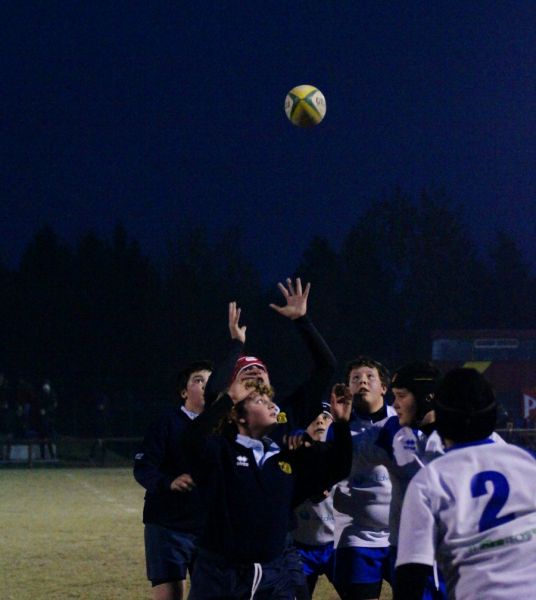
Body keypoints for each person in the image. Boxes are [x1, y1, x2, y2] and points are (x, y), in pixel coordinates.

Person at [182, 377, 353, 600]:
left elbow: (338, 469)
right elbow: (190, 439)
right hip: (219, 576)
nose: (272, 405)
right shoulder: (220, 452)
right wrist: (229, 400)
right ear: (238, 415)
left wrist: (341, 425)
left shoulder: (284, 462)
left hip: (272, 576)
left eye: (269, 400)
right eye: (260, 402)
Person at [395, 368, 536, 600]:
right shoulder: (527, 461)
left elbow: (412, 573)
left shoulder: (430, 479)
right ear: (492, 414)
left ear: (443, 417)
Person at [133, 360, 213, 600]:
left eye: (210, 381)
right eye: (198, 380)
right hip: (167, 526)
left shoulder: (222, 426)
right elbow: (143, 467)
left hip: (208, 527)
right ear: (183, 392)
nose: (205, 386)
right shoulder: (166, 423)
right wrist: (168, 482)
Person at [332, 357, 397, 600]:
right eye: (355, 378)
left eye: (370, 377)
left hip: (402, 534)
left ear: (384, 387)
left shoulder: (400, 422)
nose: (363, 382)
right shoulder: (338, 426)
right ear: (348, 389)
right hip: (358, 534)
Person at [291, 399, 342, 598]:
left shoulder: (344, 456)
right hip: (300, 545)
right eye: (314, 418)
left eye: (325, 417)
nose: (320, 421)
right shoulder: (293, 456)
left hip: (335, 545)